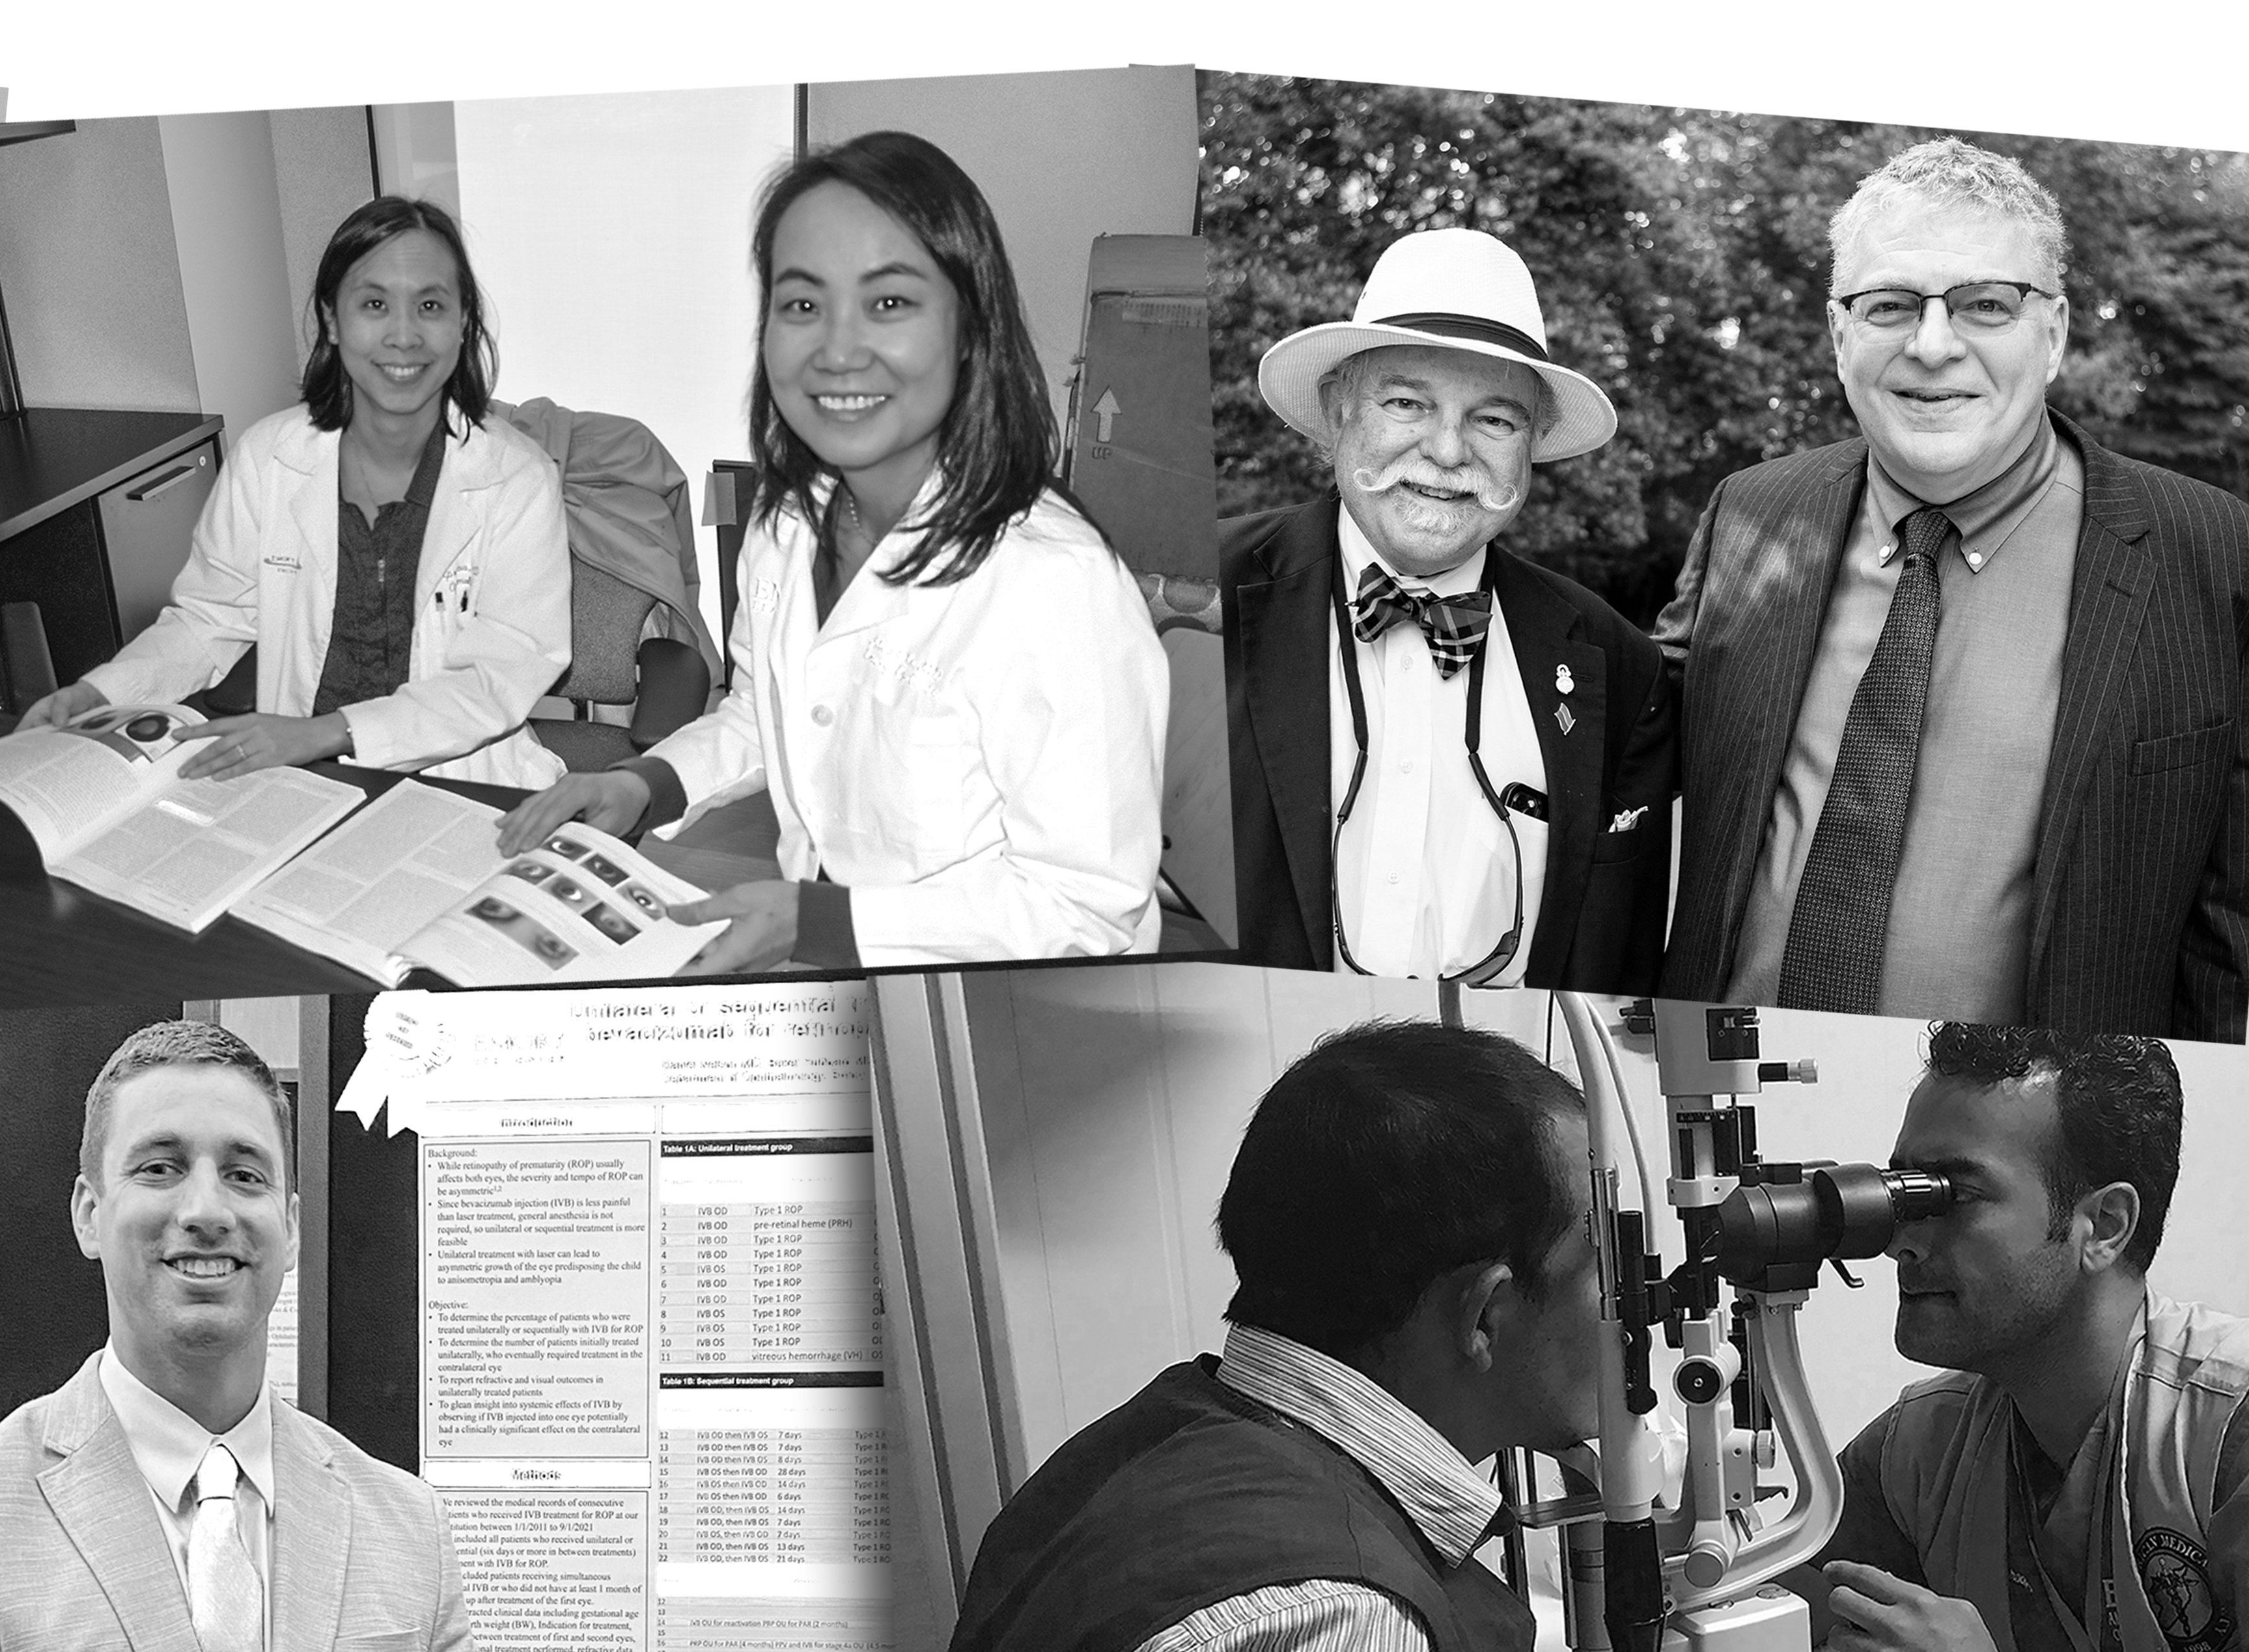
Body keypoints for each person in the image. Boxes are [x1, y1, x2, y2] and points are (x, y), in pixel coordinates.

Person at [496, 130, 1168, 972]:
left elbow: (1088, 905)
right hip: (821, 963)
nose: (837, 350)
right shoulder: (784, 526)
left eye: (889, 304)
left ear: (970, 329)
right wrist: (643, 784)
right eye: (803, 305)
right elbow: (764, 709)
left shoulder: (1055, 585)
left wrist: (820, 923)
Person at [1657, 139, 2249, 1037]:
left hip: (2024, 1135)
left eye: (1985, 304)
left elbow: (2228, 926)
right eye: (1890, 304)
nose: (1934, 347)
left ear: (2051, 335)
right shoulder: (1752, 513)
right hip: (1726, 1084)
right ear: (1839, 333)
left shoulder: (2208, 553)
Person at [917, 1019, 1604, 1652]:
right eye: (1599, 1258)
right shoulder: (1337, 1636)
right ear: (1487, 1317)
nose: (1628, 1300)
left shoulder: (1144, 1449)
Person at [0, 1019, 486, 1652]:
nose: (207, 1212)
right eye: (160, 1168)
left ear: (292, 1227)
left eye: (245, 1175)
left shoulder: (409, 1532)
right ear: (90, 1214)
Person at [1220, 227, 1675, 996]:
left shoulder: (1616, 664)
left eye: (1494, 419)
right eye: (1406, 403)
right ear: (1339, 412)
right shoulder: (1188, 597)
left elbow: (1618, 963)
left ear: (1530, 445)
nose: (1448, 449)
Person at [17, 197, 572, 790]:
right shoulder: (270, 459)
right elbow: (210, 619)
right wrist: (99, 692)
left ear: (463, 321)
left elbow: (499, 674)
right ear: (333, 320)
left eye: (430, 305)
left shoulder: (517, 480)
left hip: (462, 780)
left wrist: (330, 732)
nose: (404, 335)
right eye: (375, 304)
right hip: (294, 779)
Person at [1801, 1026, 2249, 1652]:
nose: (1900, 1241)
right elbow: (1770, 1611)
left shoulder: (2229, 1433)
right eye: (1903, 1193)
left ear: (2101, 1225)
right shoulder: (1923, 1447)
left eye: (1952, 1195)